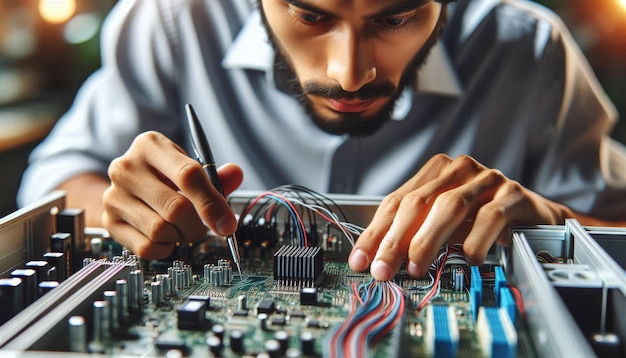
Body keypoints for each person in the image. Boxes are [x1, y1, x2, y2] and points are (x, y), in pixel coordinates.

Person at [17, 0, 626, 281]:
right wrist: (121, 203)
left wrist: (550, 222)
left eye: (396, 17)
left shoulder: (530, 47)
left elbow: (614, 229)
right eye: (311, 15)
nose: (349, 74)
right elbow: (54, 183)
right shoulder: (170, 20)